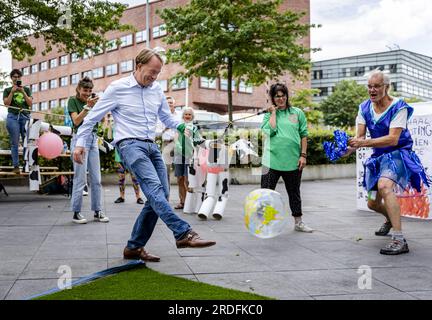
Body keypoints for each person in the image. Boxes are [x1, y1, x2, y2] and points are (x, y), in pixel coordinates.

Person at [73, 48, 216, 262]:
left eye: (158, 73)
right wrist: (80, 144)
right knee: (155, 190)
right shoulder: (117, 88)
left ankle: (134, 247)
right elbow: (92, 118)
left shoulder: (156, 89)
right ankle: (183, 233)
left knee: (161, 195)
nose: (154, 77)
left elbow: (167, 119)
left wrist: (182, 126)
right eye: (152, 71)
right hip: (129, 145)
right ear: (138, 66)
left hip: (151, 146)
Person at [348, 69, 430, 255]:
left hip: (397, 154)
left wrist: (363, 142)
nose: (372, 90)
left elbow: (393, 139)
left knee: (385, 187)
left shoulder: (399, 107)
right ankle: (389, 219)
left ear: (387, 87)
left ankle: (399, 239)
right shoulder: (364, 108)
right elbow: (359, 136)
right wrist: (348, 148)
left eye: (376, 86)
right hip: (377, 158)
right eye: (369, 86)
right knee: (372, 203)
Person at [260, 82, 314, 233]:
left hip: (292, 161)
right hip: (270, 160)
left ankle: (298, 222)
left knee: (294, 192)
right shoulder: (267, 115)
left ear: (287, 96)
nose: (281, 99)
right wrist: (272, 113)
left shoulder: (297, 113)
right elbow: (270, 131)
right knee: (266, 193)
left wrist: (303, 155)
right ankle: (266, 222)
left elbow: (304, 135)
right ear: (272, 98)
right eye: (277, 96)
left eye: (283, 95)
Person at [68, 77, 109, 224]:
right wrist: (87, 107)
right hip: (79, 140)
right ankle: (76, 212)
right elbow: (76, 121)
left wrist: (99, 107)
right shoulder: (73, 101)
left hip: (92, 140)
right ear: (79, 89)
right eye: (85, 90)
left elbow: (102, 121)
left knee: (97, 179)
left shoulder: (93, 102)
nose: (87, 93)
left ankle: (97, 211)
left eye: (90, 91)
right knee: (80, 179)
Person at [3, 69, 33, 174]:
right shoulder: (7, 90)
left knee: (26, 142)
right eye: (14, 77)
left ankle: (26, 165)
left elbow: (30, 104)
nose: (16, 79)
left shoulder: (27, 89)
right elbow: (6, 103)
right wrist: (12, 91)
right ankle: (16, 166)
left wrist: (23, 91)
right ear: (11, 78)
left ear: (21, 78)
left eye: (18, 77)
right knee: (14, 142)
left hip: (25, 116)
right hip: (13, 116)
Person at [173, 107, 201, 210]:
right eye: (186, 114)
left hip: (189, 155)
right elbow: (176, 139)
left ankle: (190, 203)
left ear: (192, 116)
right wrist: (180, 148)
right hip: (179, 155)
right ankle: (182, 201)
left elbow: (198, 140)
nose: (187, 116)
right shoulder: (179, 126)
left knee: (187, 179)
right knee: (179, 178)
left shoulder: (194, 128)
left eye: (189, 114)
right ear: (183, 116)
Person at [160, 96, 180, 191]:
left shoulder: (179, 116)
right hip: (166, 144)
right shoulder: (161, 116)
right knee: (165, 170)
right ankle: (166, 195)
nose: (169, 104)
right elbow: (157, 132)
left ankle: (182, 200)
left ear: (174, 104)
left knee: (180, 172)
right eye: (167, 103)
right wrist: (165, 128)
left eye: (171, 103)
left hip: (177, 144)